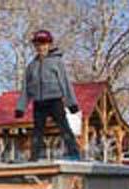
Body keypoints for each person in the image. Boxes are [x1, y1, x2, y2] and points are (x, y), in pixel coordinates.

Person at [15, 29, 81, 161]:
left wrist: (71, 103)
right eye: (38, 45)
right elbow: (26, 89)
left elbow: (65, 83)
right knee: (37, 130)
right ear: (35, 47)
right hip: (39, 102)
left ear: (49, 45)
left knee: (63, 127)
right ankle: (34, 157)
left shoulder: (56, 62)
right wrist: (21, 107)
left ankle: (74, 153)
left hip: (54, 100)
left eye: (44, 44)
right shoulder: (31, 67)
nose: (41, 47)